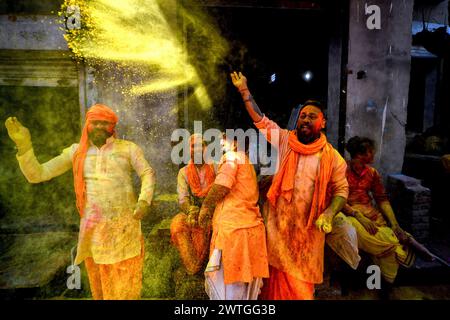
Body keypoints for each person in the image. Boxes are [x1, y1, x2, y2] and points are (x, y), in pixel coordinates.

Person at [4, 104, 155, 300]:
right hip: (94, 237)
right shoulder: (76, 152)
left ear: (112, 126)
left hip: (125, 232)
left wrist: (144, 201)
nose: (100, 127)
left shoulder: (128, 149)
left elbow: (147, 173)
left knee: (127, 292)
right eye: (95, 122)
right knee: (101, 293)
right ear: (87, 124)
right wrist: (24, 146)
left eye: (105, 123)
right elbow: (38, 174)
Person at [230, 71, 349, 300]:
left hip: (308, 235)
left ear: (322, 122)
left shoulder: (333, 158)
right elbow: (261, 121)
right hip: (278, 232)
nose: (305, 119)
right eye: (303, 115)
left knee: (301, 291)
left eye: (312, 116)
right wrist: (244, 91)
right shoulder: (285, 139)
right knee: (271, 290)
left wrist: (329, 213)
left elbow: (342, 191)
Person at [342, 136, 436, 286]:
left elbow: (382, 199)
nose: (373, 155)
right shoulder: (341, 170)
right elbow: (337, 199)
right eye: (371, 152)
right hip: (350, 214)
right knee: (360, 230)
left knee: (385, 231)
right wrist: (358, 216)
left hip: (371, 214)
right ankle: (406, 241)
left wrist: (394, 224)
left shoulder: (372, 173)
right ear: (360, 154)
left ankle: (383, 279)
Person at [198, 134, 269, 300]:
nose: (221, 142)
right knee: (244, 292)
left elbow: (222, 185)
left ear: (236, 143)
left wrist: (206, 208)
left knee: (230, 291)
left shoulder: (232, 157)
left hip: (234, 233)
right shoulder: (246, 162)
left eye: (226, 138)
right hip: (249, 231)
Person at [170, 134, 215, 274]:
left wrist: (208, 209)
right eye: (193, 146)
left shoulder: (217, 167)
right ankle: (193, 267)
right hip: (193, 211)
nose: (197, 150)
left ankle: (212, 267)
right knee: (177, 224)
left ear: (206, 148)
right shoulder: (183, 172)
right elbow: (183, 199)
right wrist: (191, 210)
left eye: (200, 146)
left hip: (214, 211)